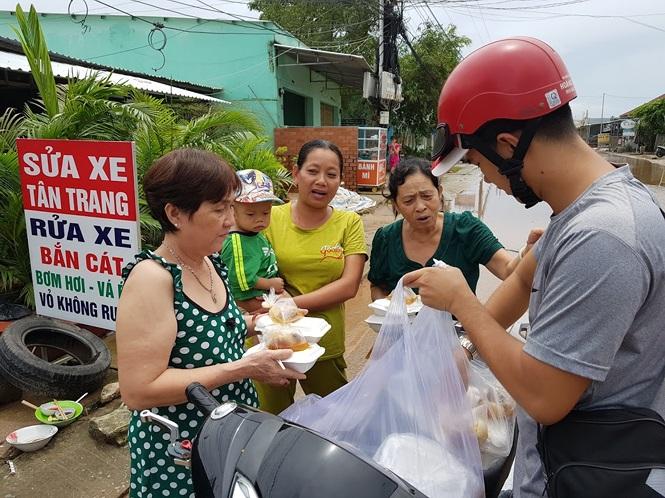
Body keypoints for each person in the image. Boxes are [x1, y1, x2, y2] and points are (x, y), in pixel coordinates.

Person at [403, 37, 665, 498]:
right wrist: (463, 348)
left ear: (508, 143)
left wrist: (463, 303)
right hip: (562, 466)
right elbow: (526, 274)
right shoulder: (581, 210)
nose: (483, 175)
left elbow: (545, 398)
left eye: (479, 160)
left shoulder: (603, 235)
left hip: (589, 477)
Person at [116, 149, 305, 498]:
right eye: (218, 209)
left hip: (227, 432)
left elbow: (213, 330)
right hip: (182, 447)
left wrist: (265, 322)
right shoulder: (152, 279)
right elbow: (138, 390)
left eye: (231, 207)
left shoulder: (211, 262)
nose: (230, 220)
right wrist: (243, 368)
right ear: (175, 214)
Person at [256, 139, 368, 414]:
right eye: (312, 171)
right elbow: (252, 272)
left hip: (323, 344)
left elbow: (349, 285)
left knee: (332, 423)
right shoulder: (270, 217)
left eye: (331, 175)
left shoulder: (348, 222)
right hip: (273, 342)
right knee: (272, 422)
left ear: (340, 180)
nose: (322, 181)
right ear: (296, 173)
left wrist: (289, 305)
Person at [369, 157, 540, 301]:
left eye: (427, 196)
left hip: (459, 336)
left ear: (440, 193)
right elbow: (378, 286)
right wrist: (388, 314)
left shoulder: (467, 229)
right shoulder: (386, 239)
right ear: (396, 205)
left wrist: (528, 251)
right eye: (408, 201)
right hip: (403, 338)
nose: (420, 207)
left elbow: (507, 270)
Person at [221, 169, 284, 313]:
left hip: (265, 296)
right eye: (250, 214)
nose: (260, 219)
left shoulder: (255, 233)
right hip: (249, 302)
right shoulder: (237, 241)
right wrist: (270, 284)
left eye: (266, 212)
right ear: (233, 211)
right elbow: (241, 279)